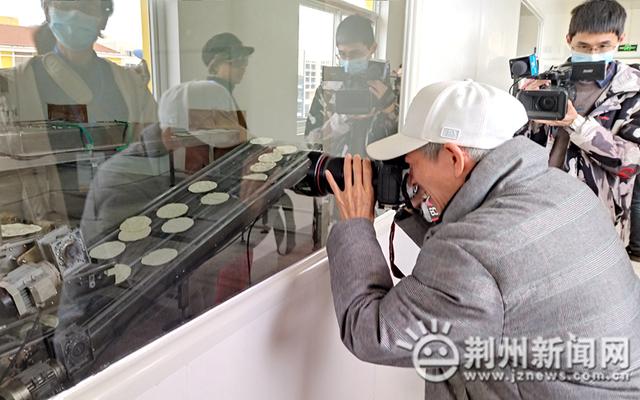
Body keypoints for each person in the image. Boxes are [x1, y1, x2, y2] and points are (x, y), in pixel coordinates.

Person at [325, 80, 640, 398]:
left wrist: (356, 223)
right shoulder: (565, 188)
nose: (412, 176)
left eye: (411, 162)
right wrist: (420, 208)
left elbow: (371, 332)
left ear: (453, 157)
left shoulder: (469, 254)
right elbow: (496, 278)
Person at [0, 0, 156, 226]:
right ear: (48, 11)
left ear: (103, 17)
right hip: (53, 221)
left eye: (87, 6)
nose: (75, 13)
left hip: (123, 210)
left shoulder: (129, 83)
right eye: (65, 4)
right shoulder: (17, 85)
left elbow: (153, 146)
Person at [522, 0, 640, 245]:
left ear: (620, 39)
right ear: (569, 40)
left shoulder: (633, 91)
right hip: (538, 205)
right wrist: (522, 107)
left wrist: (576, 123)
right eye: (584, 46)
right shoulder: (546, 81)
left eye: (603, 45)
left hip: (596, 219)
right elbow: (519, 145)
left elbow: (630, 162)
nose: (593, 54)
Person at [158, 32, 252, 174]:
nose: (242, 67)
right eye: (236, 61)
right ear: (215, 63)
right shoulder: (212, 93)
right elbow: (231, 140)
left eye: (244, 61)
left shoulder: (222, 93)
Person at [304, 14, 398, 157]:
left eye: (355, 53)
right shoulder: (328, 88)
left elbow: (405, 146)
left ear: (373, 48)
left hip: (378, 173)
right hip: (336, 171)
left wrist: (390, 107)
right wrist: (341, 120)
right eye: (342, 54)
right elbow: (310, 142)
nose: (347, 61)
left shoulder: (391, 88)